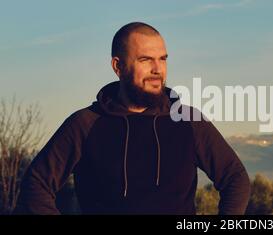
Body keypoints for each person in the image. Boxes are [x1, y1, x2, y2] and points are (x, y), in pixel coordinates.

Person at [14, 22, 250, 215]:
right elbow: (36, 184)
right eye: (146, 60)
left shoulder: (188, 121)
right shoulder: (85, 124)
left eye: (163, 59)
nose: (158, 69)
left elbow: (235, 178)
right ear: (118, 66)